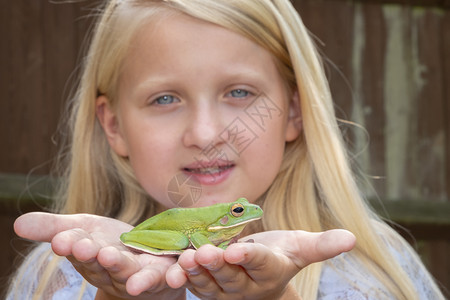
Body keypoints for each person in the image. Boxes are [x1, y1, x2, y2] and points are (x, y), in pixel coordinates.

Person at [7, 0, 445, 299]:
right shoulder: (58, 271)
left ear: (294, 111)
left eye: (238, 92)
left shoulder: (373, 265)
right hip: (161, 239)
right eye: (165, 99)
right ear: (114, 125)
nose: (205, 133)